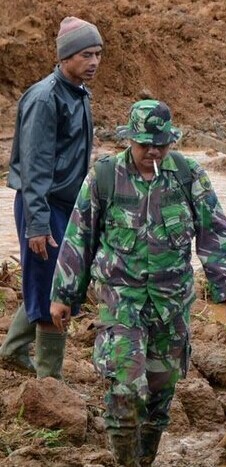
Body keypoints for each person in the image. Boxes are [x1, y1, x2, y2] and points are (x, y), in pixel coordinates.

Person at [49, 100, 226, 465]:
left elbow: (214, 234)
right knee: (125, 393)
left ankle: (144, 461)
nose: (153, 151)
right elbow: (79, 237)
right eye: (144, 144)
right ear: (130, 140)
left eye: (160, 144)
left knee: (158, 401)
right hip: (120, 304)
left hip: (170, 308)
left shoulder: (188, 176)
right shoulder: (105, 176)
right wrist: (63, 294)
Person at [0, 17, 103, 378]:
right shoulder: (45, 99)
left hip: (66, 205)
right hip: (42, 205)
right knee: (52, 288)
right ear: (65, 57)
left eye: (98, 54)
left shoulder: (78, 93)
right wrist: (38, 224)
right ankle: (49, 381)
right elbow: (35, 168)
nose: (94, 62)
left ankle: (13, 349)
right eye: (86, 54)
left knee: (49, 280)